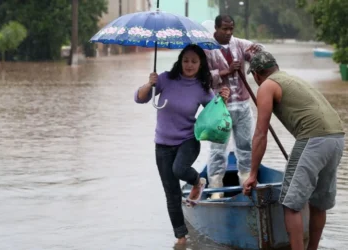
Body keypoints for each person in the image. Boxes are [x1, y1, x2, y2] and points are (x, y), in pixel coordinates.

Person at [242, 51, 345, 250]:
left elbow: (261, 134)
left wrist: (253, 173)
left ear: (256, 75)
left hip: (313, 138)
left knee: (291, 203)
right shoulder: (292, 79)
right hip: (337, 137)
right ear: (276, 67)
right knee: (318, 204)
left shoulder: (267, 85)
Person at [134, 44, 230, 245]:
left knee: (179, 169)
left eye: (194, 61)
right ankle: (181, 238)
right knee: (172, 193)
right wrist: (149, 84)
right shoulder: (165, 79)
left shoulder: (202, 87)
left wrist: (222, 101)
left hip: (188, 141)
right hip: (162, 145)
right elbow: (139, 98)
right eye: (186, 60)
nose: (189, 65)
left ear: (200, 63)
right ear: (180, 61)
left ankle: (197, 181)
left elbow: (214, 115)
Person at [204, 14, 264, 199]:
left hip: (243, 105)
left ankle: (246, 181)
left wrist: (255, 56)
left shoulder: (239, 43)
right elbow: (203, 78)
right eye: (225, 29)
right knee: (218, 149)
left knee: (246, 146)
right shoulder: (206, 48)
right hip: (220, 107)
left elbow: (260, 52)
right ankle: (216, 188)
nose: (229, 33)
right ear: (216, 29)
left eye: (231, 29)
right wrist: (226, 71)